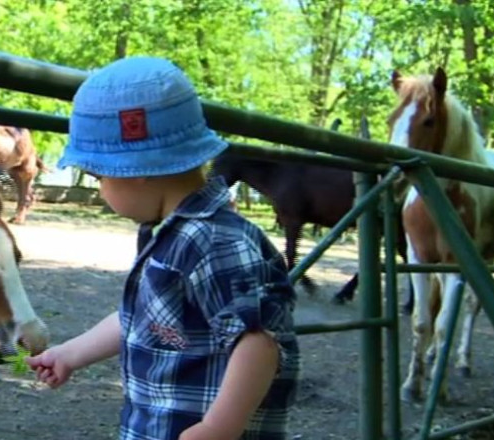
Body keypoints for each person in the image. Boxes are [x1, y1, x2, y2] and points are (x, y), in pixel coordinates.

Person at [25, 56, 300, 440]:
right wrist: (70, 354)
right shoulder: (172, 236)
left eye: (98, 177)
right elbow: (140, 317)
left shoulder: (214, 241)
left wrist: (217, 428)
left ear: (133, 170)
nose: (101, 191)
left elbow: (258, 342)